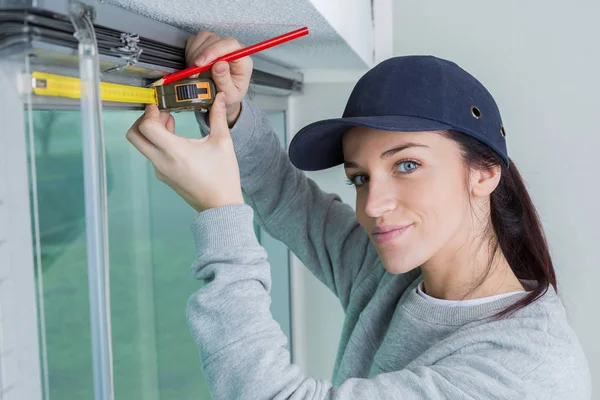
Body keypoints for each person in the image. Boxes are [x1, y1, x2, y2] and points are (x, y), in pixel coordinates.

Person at [126, 31, 591, 399]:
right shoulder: (396, 276)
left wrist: (219, 212)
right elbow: (286, 196)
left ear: (485, 174)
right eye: (360, 177)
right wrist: (227, 108)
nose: (372, 206)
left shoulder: (524, 372)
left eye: (407, 165)